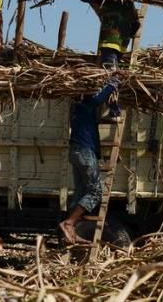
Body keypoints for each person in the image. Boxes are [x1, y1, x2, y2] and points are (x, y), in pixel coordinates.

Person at [59, 76, 121, 244]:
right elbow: (97, 99)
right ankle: (69, 223)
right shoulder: (84, 105)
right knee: (95, 191)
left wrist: (114, 108)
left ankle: (73, 230)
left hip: (79, 152)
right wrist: (111, 86)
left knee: (81, 192)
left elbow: (102, 109)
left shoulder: (81, 110)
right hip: (85, 153)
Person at [77, 0, 139, 122]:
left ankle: (115, 111)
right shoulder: (129, 5)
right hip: (120, 47)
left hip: (109, 44)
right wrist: (127, 35)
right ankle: (114, 110)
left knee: (110, 77)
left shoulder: (107, 1)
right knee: (110, 74)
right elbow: (136, 24)